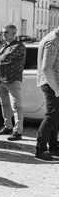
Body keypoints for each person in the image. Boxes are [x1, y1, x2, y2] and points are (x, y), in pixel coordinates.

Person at [0, 25, 26, 141]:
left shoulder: (19, 46)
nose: (3, 34)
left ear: (14, 34)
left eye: (6, 32)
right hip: (1, 79)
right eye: (3, 32)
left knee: (16, 106)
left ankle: (18, 131)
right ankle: (7, 126)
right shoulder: (3, 46)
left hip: (13, 79)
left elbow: (5, 57)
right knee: (5, 104)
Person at [35, 27, 59, 161]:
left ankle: (54, 148)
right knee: (51, 117)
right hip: (52, 84)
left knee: (55, 118)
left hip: (52, 83)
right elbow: (46, 67)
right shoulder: (53, 40)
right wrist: (56, 89)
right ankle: (41, 150)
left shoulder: (53, 37)